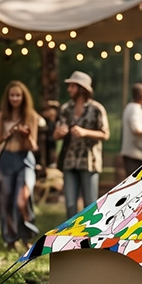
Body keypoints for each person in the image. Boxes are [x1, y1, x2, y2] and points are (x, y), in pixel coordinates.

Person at [54, 71, 109, 217]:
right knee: (70, 205)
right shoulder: (66, 109)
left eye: (72, 86)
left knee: (89, 205)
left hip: (89, 162)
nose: (69, 89)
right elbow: (55, 134)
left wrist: (85, 132)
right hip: (70, 161)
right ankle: (71, 232)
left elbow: (105, 134)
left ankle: (89, 232)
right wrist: (59, 133)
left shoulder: (96, 109)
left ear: (82, 88)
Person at [0, 80, 40, 250]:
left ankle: (26, 235)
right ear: (7, 97)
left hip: (24, 159)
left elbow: (33, 146)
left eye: (18, 95)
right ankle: (10, 239)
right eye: (12, 95)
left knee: (22, 198)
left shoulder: (31, 116)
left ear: (24, 97)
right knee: (6, 199)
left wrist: (26, 135)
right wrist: (9, 133)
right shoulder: (2, 116)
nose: (15, 98)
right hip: (7, 159)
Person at [119, 83, 142, 179]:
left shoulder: (134, 108)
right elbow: (137, 129)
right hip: (135, 157)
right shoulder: (133, 109)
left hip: (140, 157)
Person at [38, 99, 60, 170]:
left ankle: (52, 162)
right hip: (45, 139)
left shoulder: (56, 120)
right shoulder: (44, 119)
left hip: (52, 139)